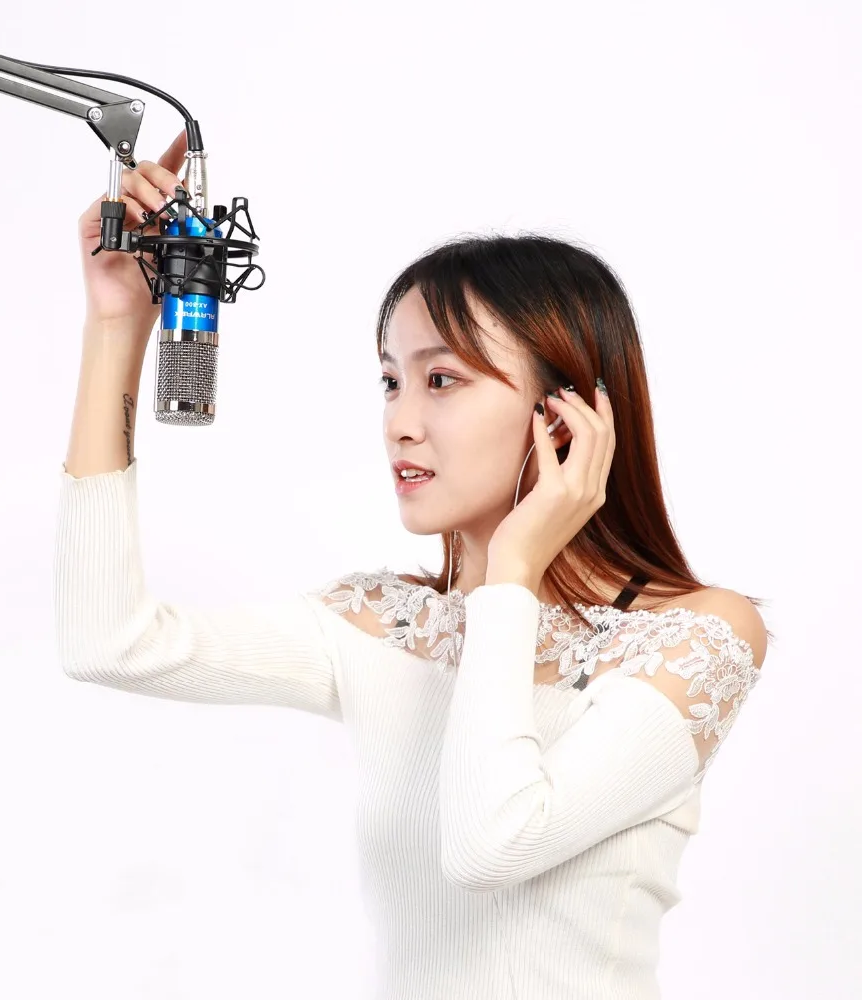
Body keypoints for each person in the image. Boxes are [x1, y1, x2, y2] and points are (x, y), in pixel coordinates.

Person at [55, 129, 770, 999]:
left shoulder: (693, 638)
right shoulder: (389, 626)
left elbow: (492, 844)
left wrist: (512, 573)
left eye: (442, 381)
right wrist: (116, 326)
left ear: (564, 416)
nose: (399, 423)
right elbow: (107, 641)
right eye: (390, 380)